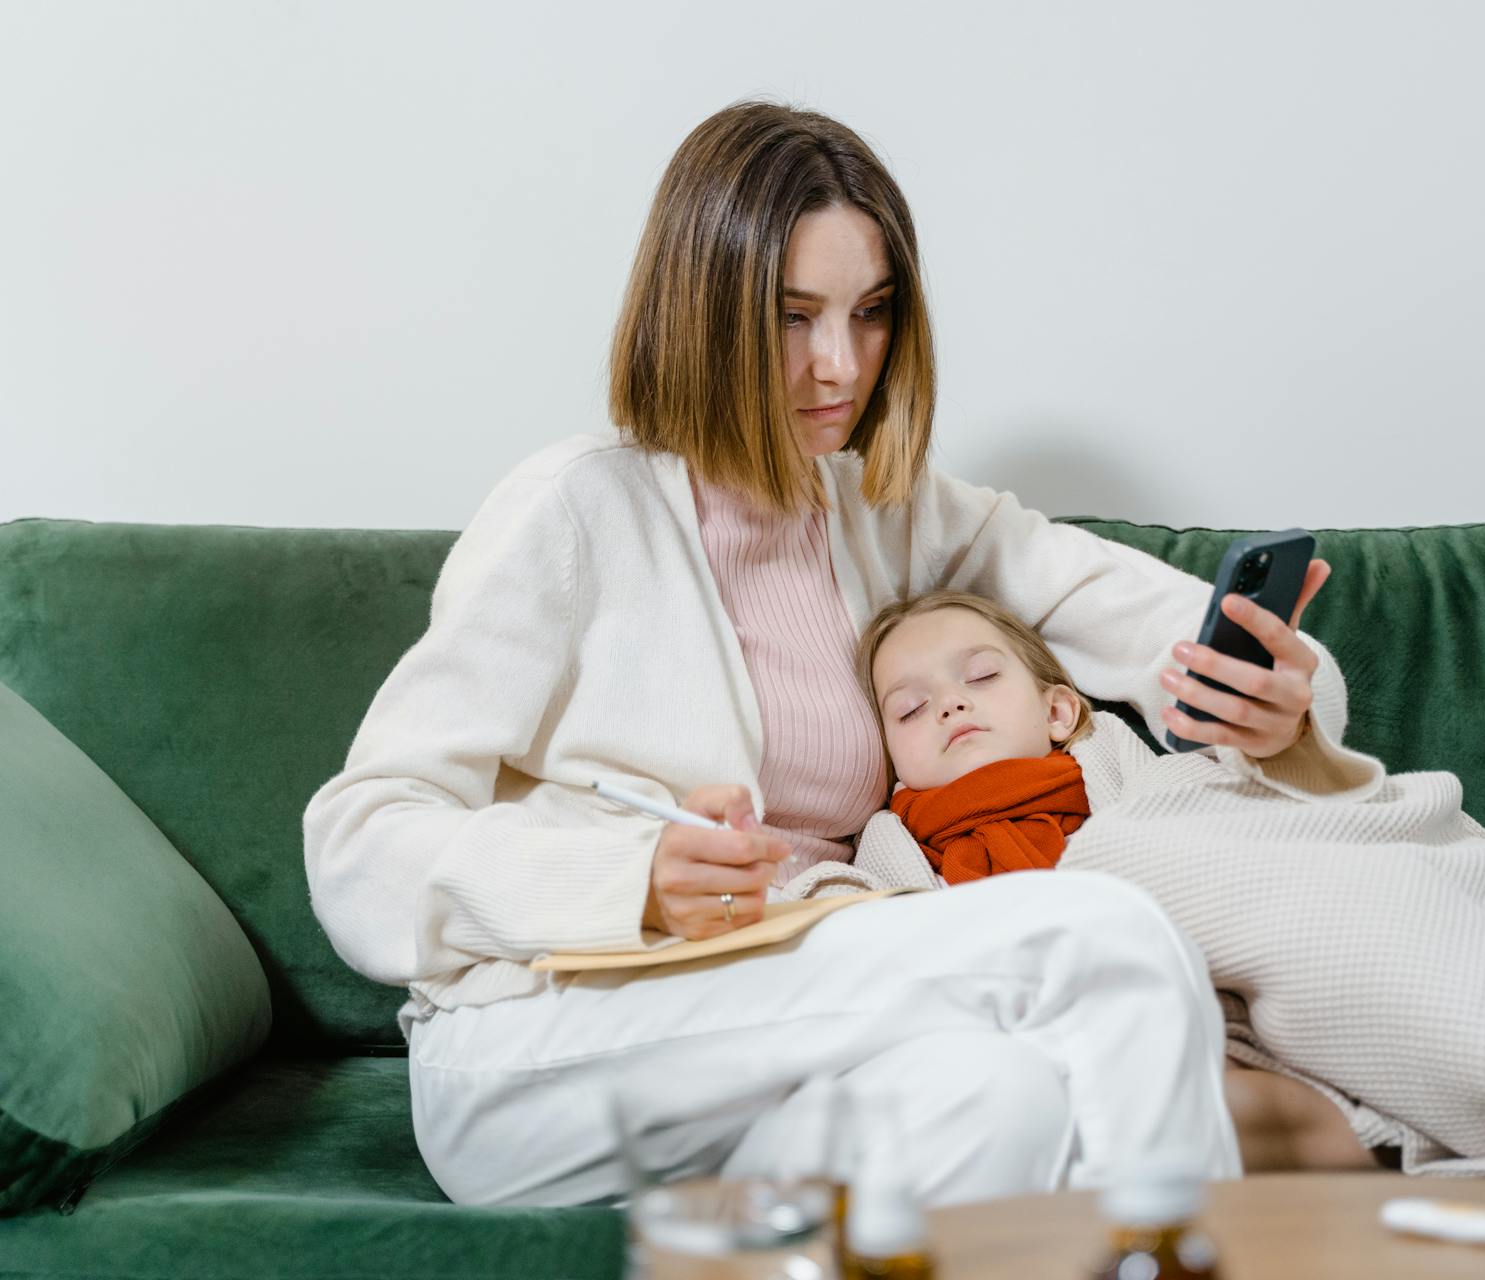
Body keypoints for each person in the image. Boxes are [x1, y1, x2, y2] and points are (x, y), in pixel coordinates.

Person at [302, 98, 1352, 1208]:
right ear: (701, 312)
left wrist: (1277, 691)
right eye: (793, 316)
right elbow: (359, 840)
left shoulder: (881, 511)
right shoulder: (573, 509)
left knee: (1005, 1097)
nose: (839, 365)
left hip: (785, 1034)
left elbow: (1163, 625)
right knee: (1102, 935)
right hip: (545, 1044)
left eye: (872, 312)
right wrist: (633, 880)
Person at [845, 589, 1485, 1200]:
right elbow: (853, 927)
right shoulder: (897, 846)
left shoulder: (1136, 786)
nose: (951, 707)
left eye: (977, 678)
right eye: (911, 708)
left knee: (1334, 970)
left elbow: (1268, 833)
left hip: (1232, 997)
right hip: (1111, 1024)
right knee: (1162, 1104)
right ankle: (1366, 1169)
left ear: (1060, 711)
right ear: (887, 759)